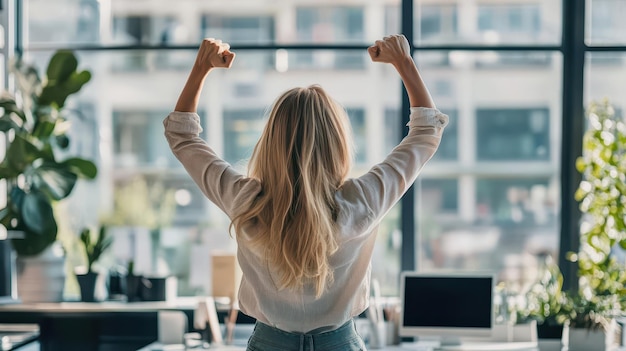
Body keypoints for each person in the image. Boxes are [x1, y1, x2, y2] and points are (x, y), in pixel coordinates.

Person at [164, 34, 448, 351]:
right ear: (337, 143)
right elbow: (427, 132)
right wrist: (403, 63)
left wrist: (202, 67)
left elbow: (181, 136)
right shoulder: (362, 200)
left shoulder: (246, 200)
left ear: (271, 141)